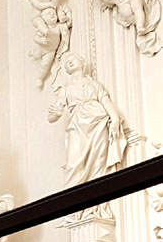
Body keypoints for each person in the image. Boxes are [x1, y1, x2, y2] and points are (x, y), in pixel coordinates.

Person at [48, 54, 127, 187]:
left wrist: (115, 120)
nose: (69, 61)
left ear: (82, 62)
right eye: (67, 62)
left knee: (99, 160)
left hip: (99, 122)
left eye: (73, 59)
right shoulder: (65, 90)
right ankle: (72, 195)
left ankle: (98, 194)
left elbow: (105, 101)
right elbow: (51, 117)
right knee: (73, 162)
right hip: (77, 125)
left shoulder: (94, 85)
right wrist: (56, 114)